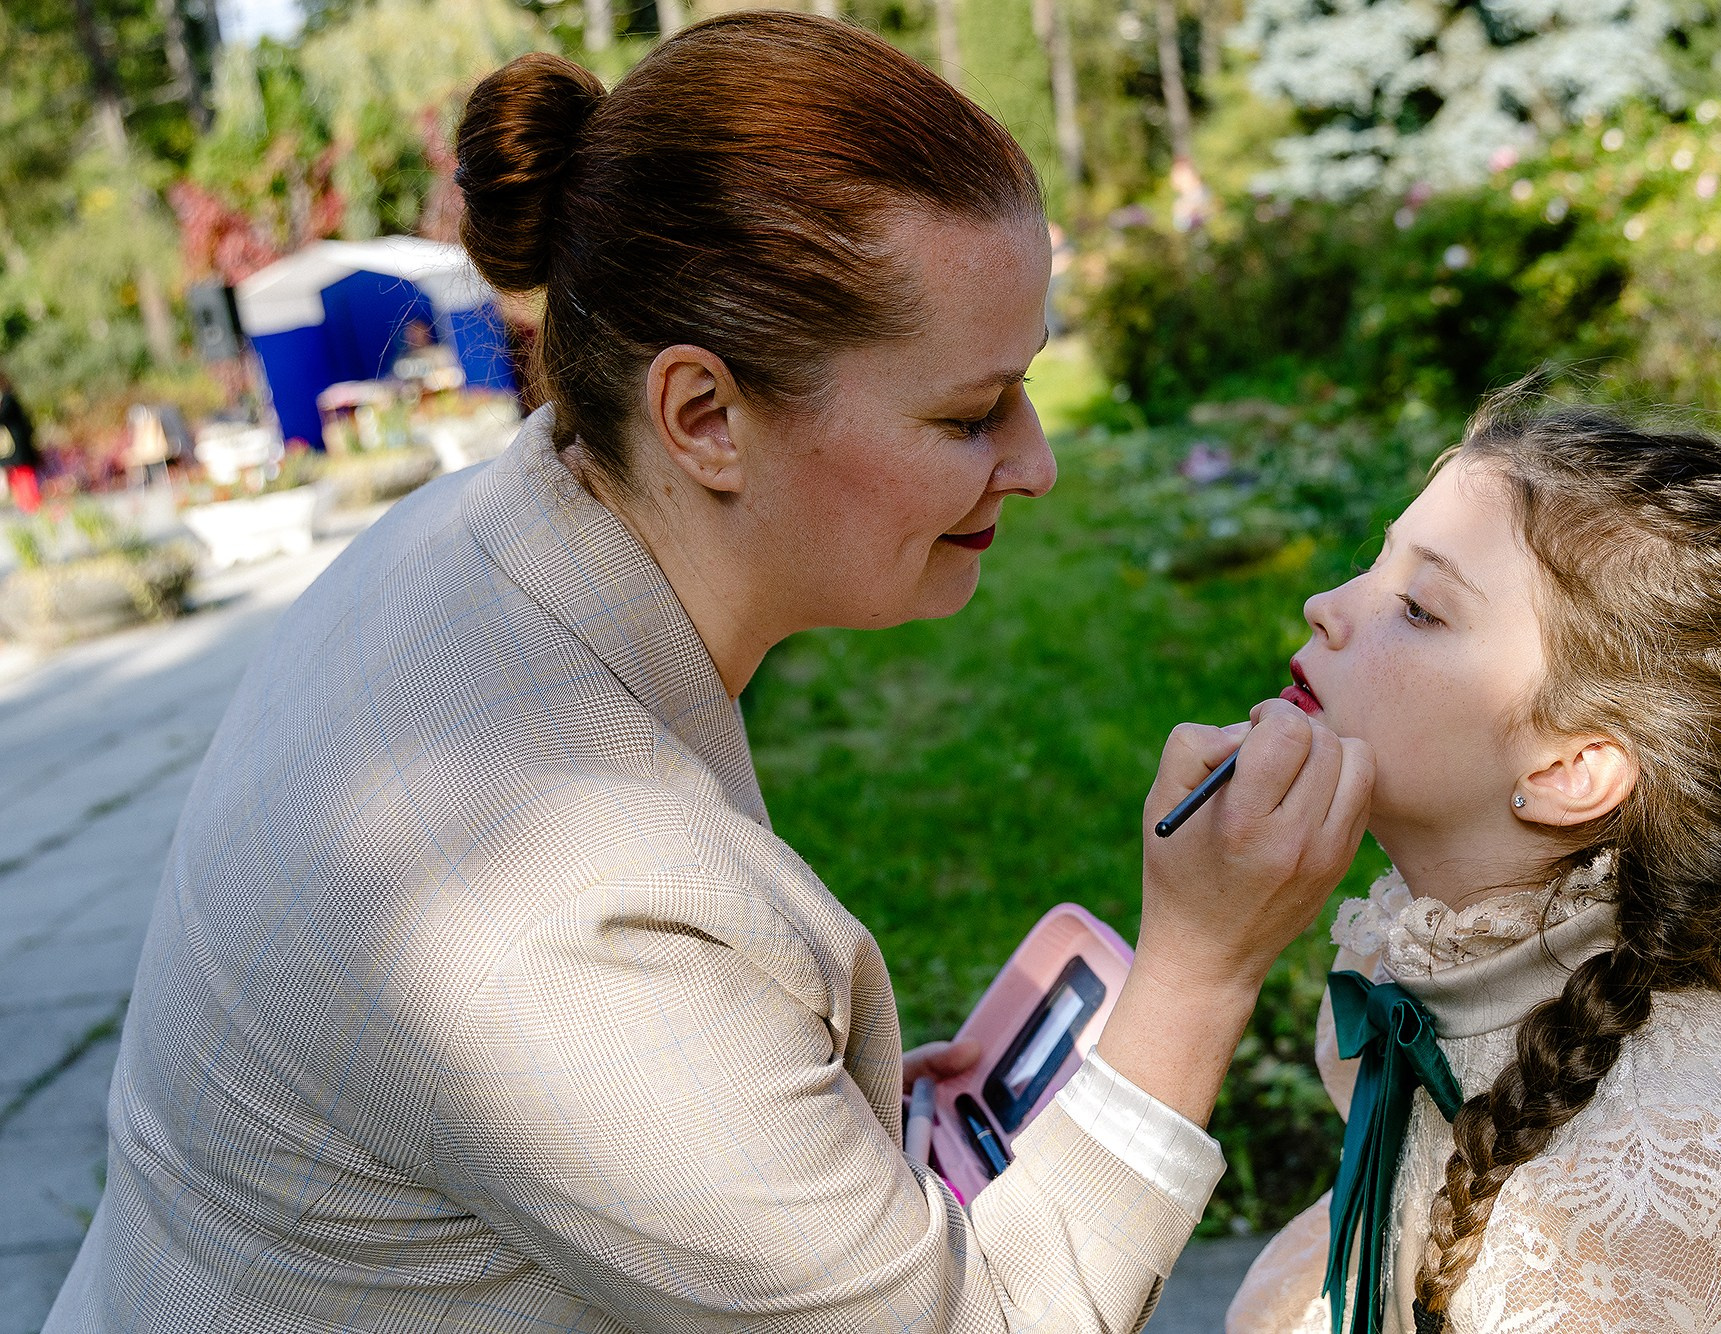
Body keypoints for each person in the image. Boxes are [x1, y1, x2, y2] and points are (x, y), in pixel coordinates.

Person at [47, 15, 1374, 1334]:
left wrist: (793, 1142)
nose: (1036, 463)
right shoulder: (581, 908)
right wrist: (1197, 969)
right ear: (703, 418)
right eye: (968, 415)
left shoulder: (463, 543)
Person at [1224, 391, 1721, 1334]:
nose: (1325, 607)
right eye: (1375, 561)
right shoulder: (1439, 966)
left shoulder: (1675, 1187)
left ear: (1568, 769)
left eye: (1419, 608)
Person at [0, 366, 42, 514]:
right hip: (13, 450)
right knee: (17, 478)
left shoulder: (8, 400)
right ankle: (26, 506)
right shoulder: (7, 399)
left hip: (18, 448)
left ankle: (32, 507)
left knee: (24, 477)